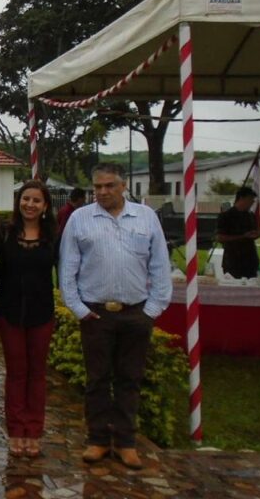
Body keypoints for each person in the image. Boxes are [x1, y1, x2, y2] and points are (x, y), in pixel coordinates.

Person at [59, 163, 171, 470]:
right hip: (96, 314)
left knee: (129, 379)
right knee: (97, 379)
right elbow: (67, 267)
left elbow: (160, 265)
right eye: (98, 186)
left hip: (136, 312)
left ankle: (125, 442)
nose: (103, 191)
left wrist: (152, 310)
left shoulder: (146, 217)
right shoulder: (80, 219)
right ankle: (97, 439)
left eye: (109, 185)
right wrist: (78, 308)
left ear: (124, 186)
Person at [0, 180, 57, 458]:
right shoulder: (4, 233)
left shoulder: (53, 236)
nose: (30, 204)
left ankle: (34, 430)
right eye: (25, 199)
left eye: (36, 200)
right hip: (9, 312)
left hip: (41, 313)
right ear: (18, 201)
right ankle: (16, 429)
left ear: (45, 206)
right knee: (16, 372)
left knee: (37, 373)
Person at [216, 186, 260, 279]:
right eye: (250, 199)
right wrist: (243, 236)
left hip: (250, 260)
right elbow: (220, 237)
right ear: (241, 198)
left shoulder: (251, 216)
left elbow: (255, 232)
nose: (252, 202)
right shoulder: (226, 216)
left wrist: (255, 234)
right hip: (233, 260)